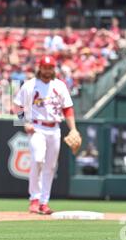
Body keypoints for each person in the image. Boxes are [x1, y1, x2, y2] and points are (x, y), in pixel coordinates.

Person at [13, 55, 79, 215]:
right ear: (40, 68)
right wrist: (24, 123)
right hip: (37, 127)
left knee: (50, 167)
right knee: (38, 160)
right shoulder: (30, 85)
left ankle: (44, 202)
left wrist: (73, 129)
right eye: (45, 67)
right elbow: (17, 106)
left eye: (50, 67)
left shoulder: (60, 86)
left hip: (55, 128)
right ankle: (34, 199)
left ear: (54, 69)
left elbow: (68, 109)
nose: (48, 70)